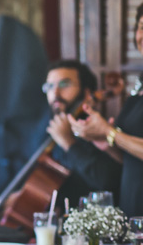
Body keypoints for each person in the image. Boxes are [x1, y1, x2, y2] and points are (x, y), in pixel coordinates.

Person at [70, 4, 143, 217]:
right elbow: (131, 156)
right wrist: (101, 138)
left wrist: (111, 133)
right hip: (132, 204)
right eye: (140, 26)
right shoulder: (139, 87)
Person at [43, 60, 121, 206]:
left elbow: (108, 182)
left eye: (64, 84)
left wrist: (69, 143)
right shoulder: (50, 129)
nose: (55, 93)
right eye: (50, 86)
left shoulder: (98, 130)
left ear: (86, 93)